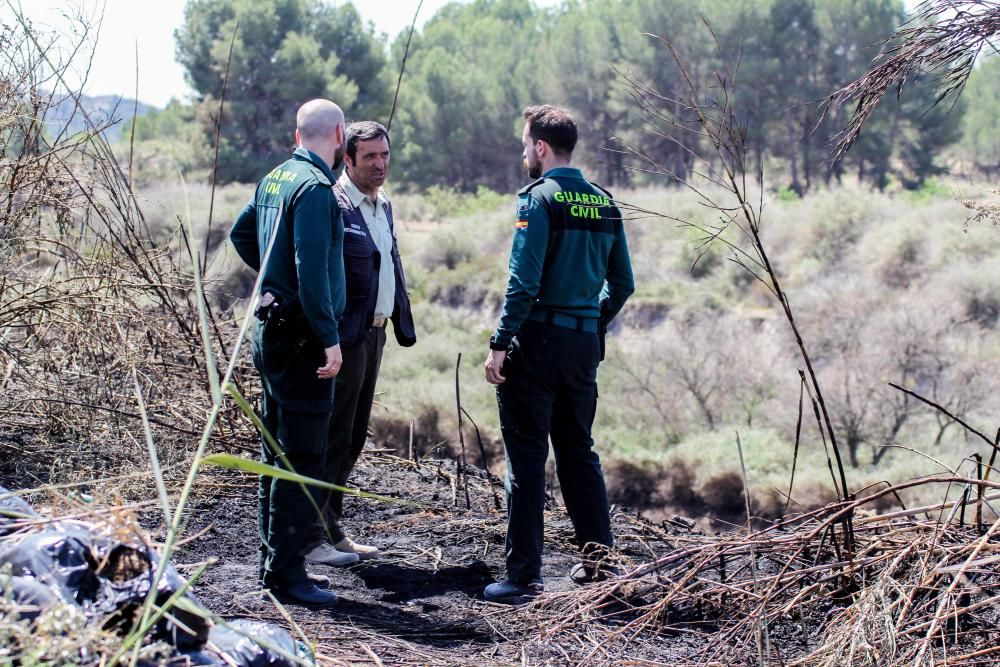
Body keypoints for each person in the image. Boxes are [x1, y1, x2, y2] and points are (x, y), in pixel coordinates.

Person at [483, 105, 635, 604]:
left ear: (542, 147)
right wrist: (591, 322)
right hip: (582, 346)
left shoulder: (539, 200)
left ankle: (523, 575)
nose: (525, 152)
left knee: (526, 459)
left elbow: (523, 283)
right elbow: (624, 284)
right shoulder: (604, 203)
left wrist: (500, 342)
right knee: (578, 453)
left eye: (527, 144)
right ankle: (600, 564)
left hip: (539, 344)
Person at [229, 99, 348, 607]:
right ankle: (286, 575)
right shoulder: (316, 188)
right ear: (340, 134)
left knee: (274, 449)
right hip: (301, 340)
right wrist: (329, 335)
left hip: (268, 333)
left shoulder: (274, 178)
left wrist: (272, 276)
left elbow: (241, 233)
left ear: (297, 133)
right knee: (301, 455)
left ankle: (269, 563)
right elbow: (313, 269)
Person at [303, 121, 416, 566]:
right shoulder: (333, 202)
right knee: (332, 436)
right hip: (342, 339)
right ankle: (311, 537)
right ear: (346, 158)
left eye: (384, 155)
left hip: (376, 333)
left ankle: (332, 527)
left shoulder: (383, 204)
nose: (380, 164)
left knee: (352, 438)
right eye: (369, 156)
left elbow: (389, 262)